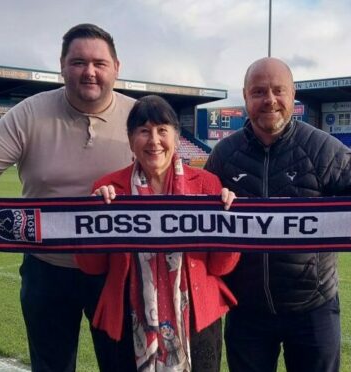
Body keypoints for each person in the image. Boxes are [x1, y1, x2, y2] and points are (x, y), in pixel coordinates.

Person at [204, 57, 351, 372]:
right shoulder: (223, 155)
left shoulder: (322, 148)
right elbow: (198, 209)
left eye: (278, 90)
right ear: (245, 97)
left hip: (313, 308)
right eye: (259, 92)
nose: (269, 100)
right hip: (246, 311)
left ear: (293, 95)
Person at [0, 23, 136, 372]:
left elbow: (172, 180)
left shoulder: (139, 116)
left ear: (116, 67)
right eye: (78, 62)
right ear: (62, 66)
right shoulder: (30, 113)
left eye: (99, 63)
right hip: (47, 268)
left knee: (123, 365)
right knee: (50, 366)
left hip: (116, 270)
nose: (89, 72)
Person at [76, 95, 240, 372]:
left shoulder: (207, 185)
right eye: (143, 131)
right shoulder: (108, 188)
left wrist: (228, 223)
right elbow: (92, 267)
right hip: (126, 323)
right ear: (130, 140)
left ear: (176, 138)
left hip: (197, 321)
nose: (154, 141)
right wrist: (94, 217)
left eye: (162, 130)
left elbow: (222, 266)